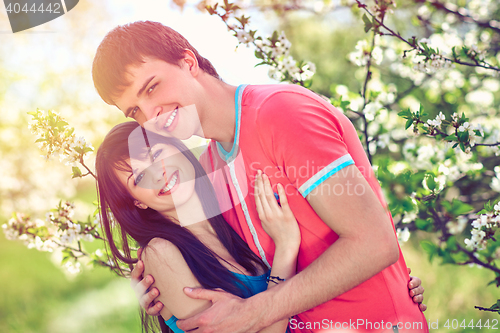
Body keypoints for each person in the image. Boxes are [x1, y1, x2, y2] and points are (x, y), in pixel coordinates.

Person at [92, 21, 428, 332]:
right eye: (135, 111)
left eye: (151, 87)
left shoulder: (280, 113)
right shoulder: (209, 171)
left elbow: (375, 243)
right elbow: (182, 250)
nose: (151, 115)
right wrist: (155, 285)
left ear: (188, 63)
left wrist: (255, 312)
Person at [96, 121, 301, 333]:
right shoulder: (161, 254)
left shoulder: (231, 206)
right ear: (138, 202)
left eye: (156, 155)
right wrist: (286, 248)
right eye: (139, 177)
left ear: (176, 147)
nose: (157, 174)